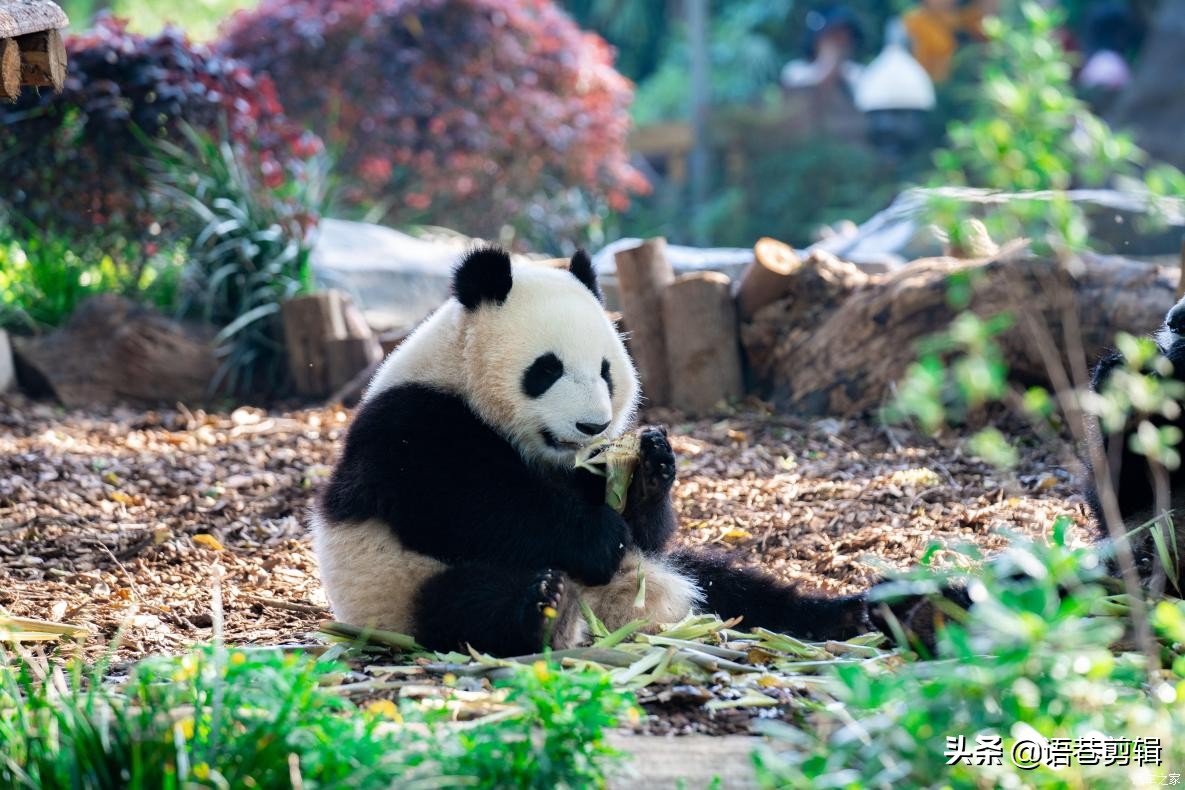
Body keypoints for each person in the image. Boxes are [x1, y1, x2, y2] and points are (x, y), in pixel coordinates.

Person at [781, 5, 865, 95]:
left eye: (846, 37)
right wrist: (830, 68)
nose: (841, 43)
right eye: (834, 35)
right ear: (817, 40)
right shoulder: (796, 72)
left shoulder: (858, 75)